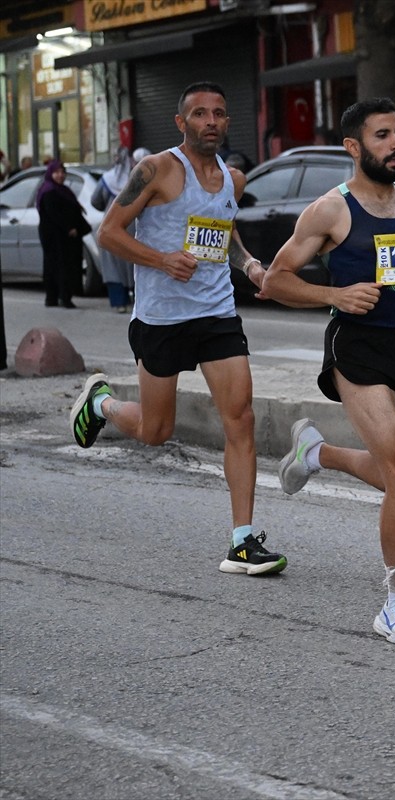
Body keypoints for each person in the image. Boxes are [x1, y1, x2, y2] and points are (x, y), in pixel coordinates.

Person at [260, 98, 395, 647]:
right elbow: (275, 280)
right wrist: (335, 295)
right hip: (358, 350)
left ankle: (317, 454)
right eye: (382, 136)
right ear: (354, 148)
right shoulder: (331, 210)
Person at [69, 81, 284, 575]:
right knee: (155, 430)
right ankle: (100, 402)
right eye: (201, 114)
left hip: (217, 316)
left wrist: (250, 266)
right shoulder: (157, 170)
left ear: (228, 122)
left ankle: (243, 542)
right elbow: (108, 233)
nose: (211, 121)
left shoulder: (233, 180)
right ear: (181, 122)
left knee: (241, 419)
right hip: (162, 318)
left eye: (220, 113)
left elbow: (224, 233)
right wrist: (162, 259)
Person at [93, 147, 151, 312]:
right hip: (137, 228)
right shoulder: (144, 180)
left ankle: (119, 302)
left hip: (112, 227)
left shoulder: (107, 179)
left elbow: (95, 200)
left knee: (113, 266)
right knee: (134, 263)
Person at [36, 159, 91, 309]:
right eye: (57, 172)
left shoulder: (62, 190)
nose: (60, 175)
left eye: (62, 172)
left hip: (64, 237)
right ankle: (61, 297)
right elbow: (54, 214)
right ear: (50, 173)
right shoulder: (48, 190)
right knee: (59, 266)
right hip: (56, 236)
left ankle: (57, 297)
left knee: (62, 265)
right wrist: (69, 228)